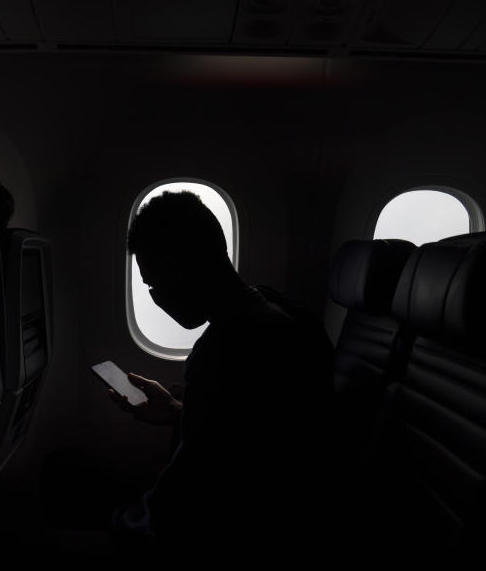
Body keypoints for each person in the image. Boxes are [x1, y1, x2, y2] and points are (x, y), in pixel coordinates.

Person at [108, 190, 334, 561]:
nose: (155, 297)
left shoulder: (231, 345)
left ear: (182, 266)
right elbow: (252, 434)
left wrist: (127, 525)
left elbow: (196, 491)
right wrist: (178, 410)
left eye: (153, 285)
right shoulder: (275, 309)